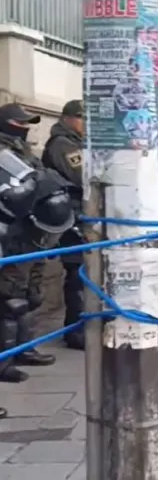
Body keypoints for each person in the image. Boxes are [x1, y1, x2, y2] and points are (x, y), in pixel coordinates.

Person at [0, 103, 57, 388]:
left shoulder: (23, 150)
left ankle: (24, 348)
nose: (24, 127)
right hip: (12, 233)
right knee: (12, 298)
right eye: (19, 123)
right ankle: (5, 361)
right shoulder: (3, 153)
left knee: (31, 292)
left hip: (34, 230)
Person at [41, 100, 86, 350]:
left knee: (84, 273)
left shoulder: (74, 142)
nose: (85, 123)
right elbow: (83, 175)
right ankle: (76, 331)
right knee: (78, 272)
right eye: (81, 117)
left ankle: (81, 325)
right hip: (72, 215)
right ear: (68, 118)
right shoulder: (62, 144)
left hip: (77, 214)